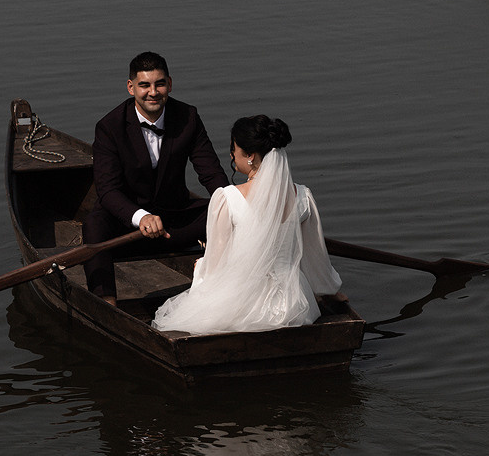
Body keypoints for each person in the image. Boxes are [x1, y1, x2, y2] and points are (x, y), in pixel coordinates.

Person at [152, 115, 345, 335]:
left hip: (243, 306)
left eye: (234, 149)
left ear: (250, 156)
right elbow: (316, 258)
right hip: (293, 306)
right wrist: (330, 292)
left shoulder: (227, 198)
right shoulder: (303, 196)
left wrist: (201, 267)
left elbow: (218, 264)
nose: (233, 155)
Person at [83, 52, 229, 303]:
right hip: (126, 226)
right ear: (131, 88)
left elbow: (211, 173)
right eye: (144, 85)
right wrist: (141, 217)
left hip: (174, 221)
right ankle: (107, 304)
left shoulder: (188, 117)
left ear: (169, 84)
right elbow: (107, 190)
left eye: (159, 84)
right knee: (93, 226)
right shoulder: (109, 127)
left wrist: (235, 203)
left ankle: (228, 289)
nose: (153, 92)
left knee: (224, 210)